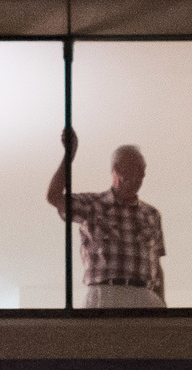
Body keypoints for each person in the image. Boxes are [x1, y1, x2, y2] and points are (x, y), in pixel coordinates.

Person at [45, 128, 165, 308]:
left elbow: (157, 265)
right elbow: (54, 196)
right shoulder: (93, 205)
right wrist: (69, 155)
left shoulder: (151, 214)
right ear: (117, 170)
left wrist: (163, 307)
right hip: (105, 294)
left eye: (143, 170)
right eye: (134, 170)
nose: (141, 176)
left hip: (145, 297)